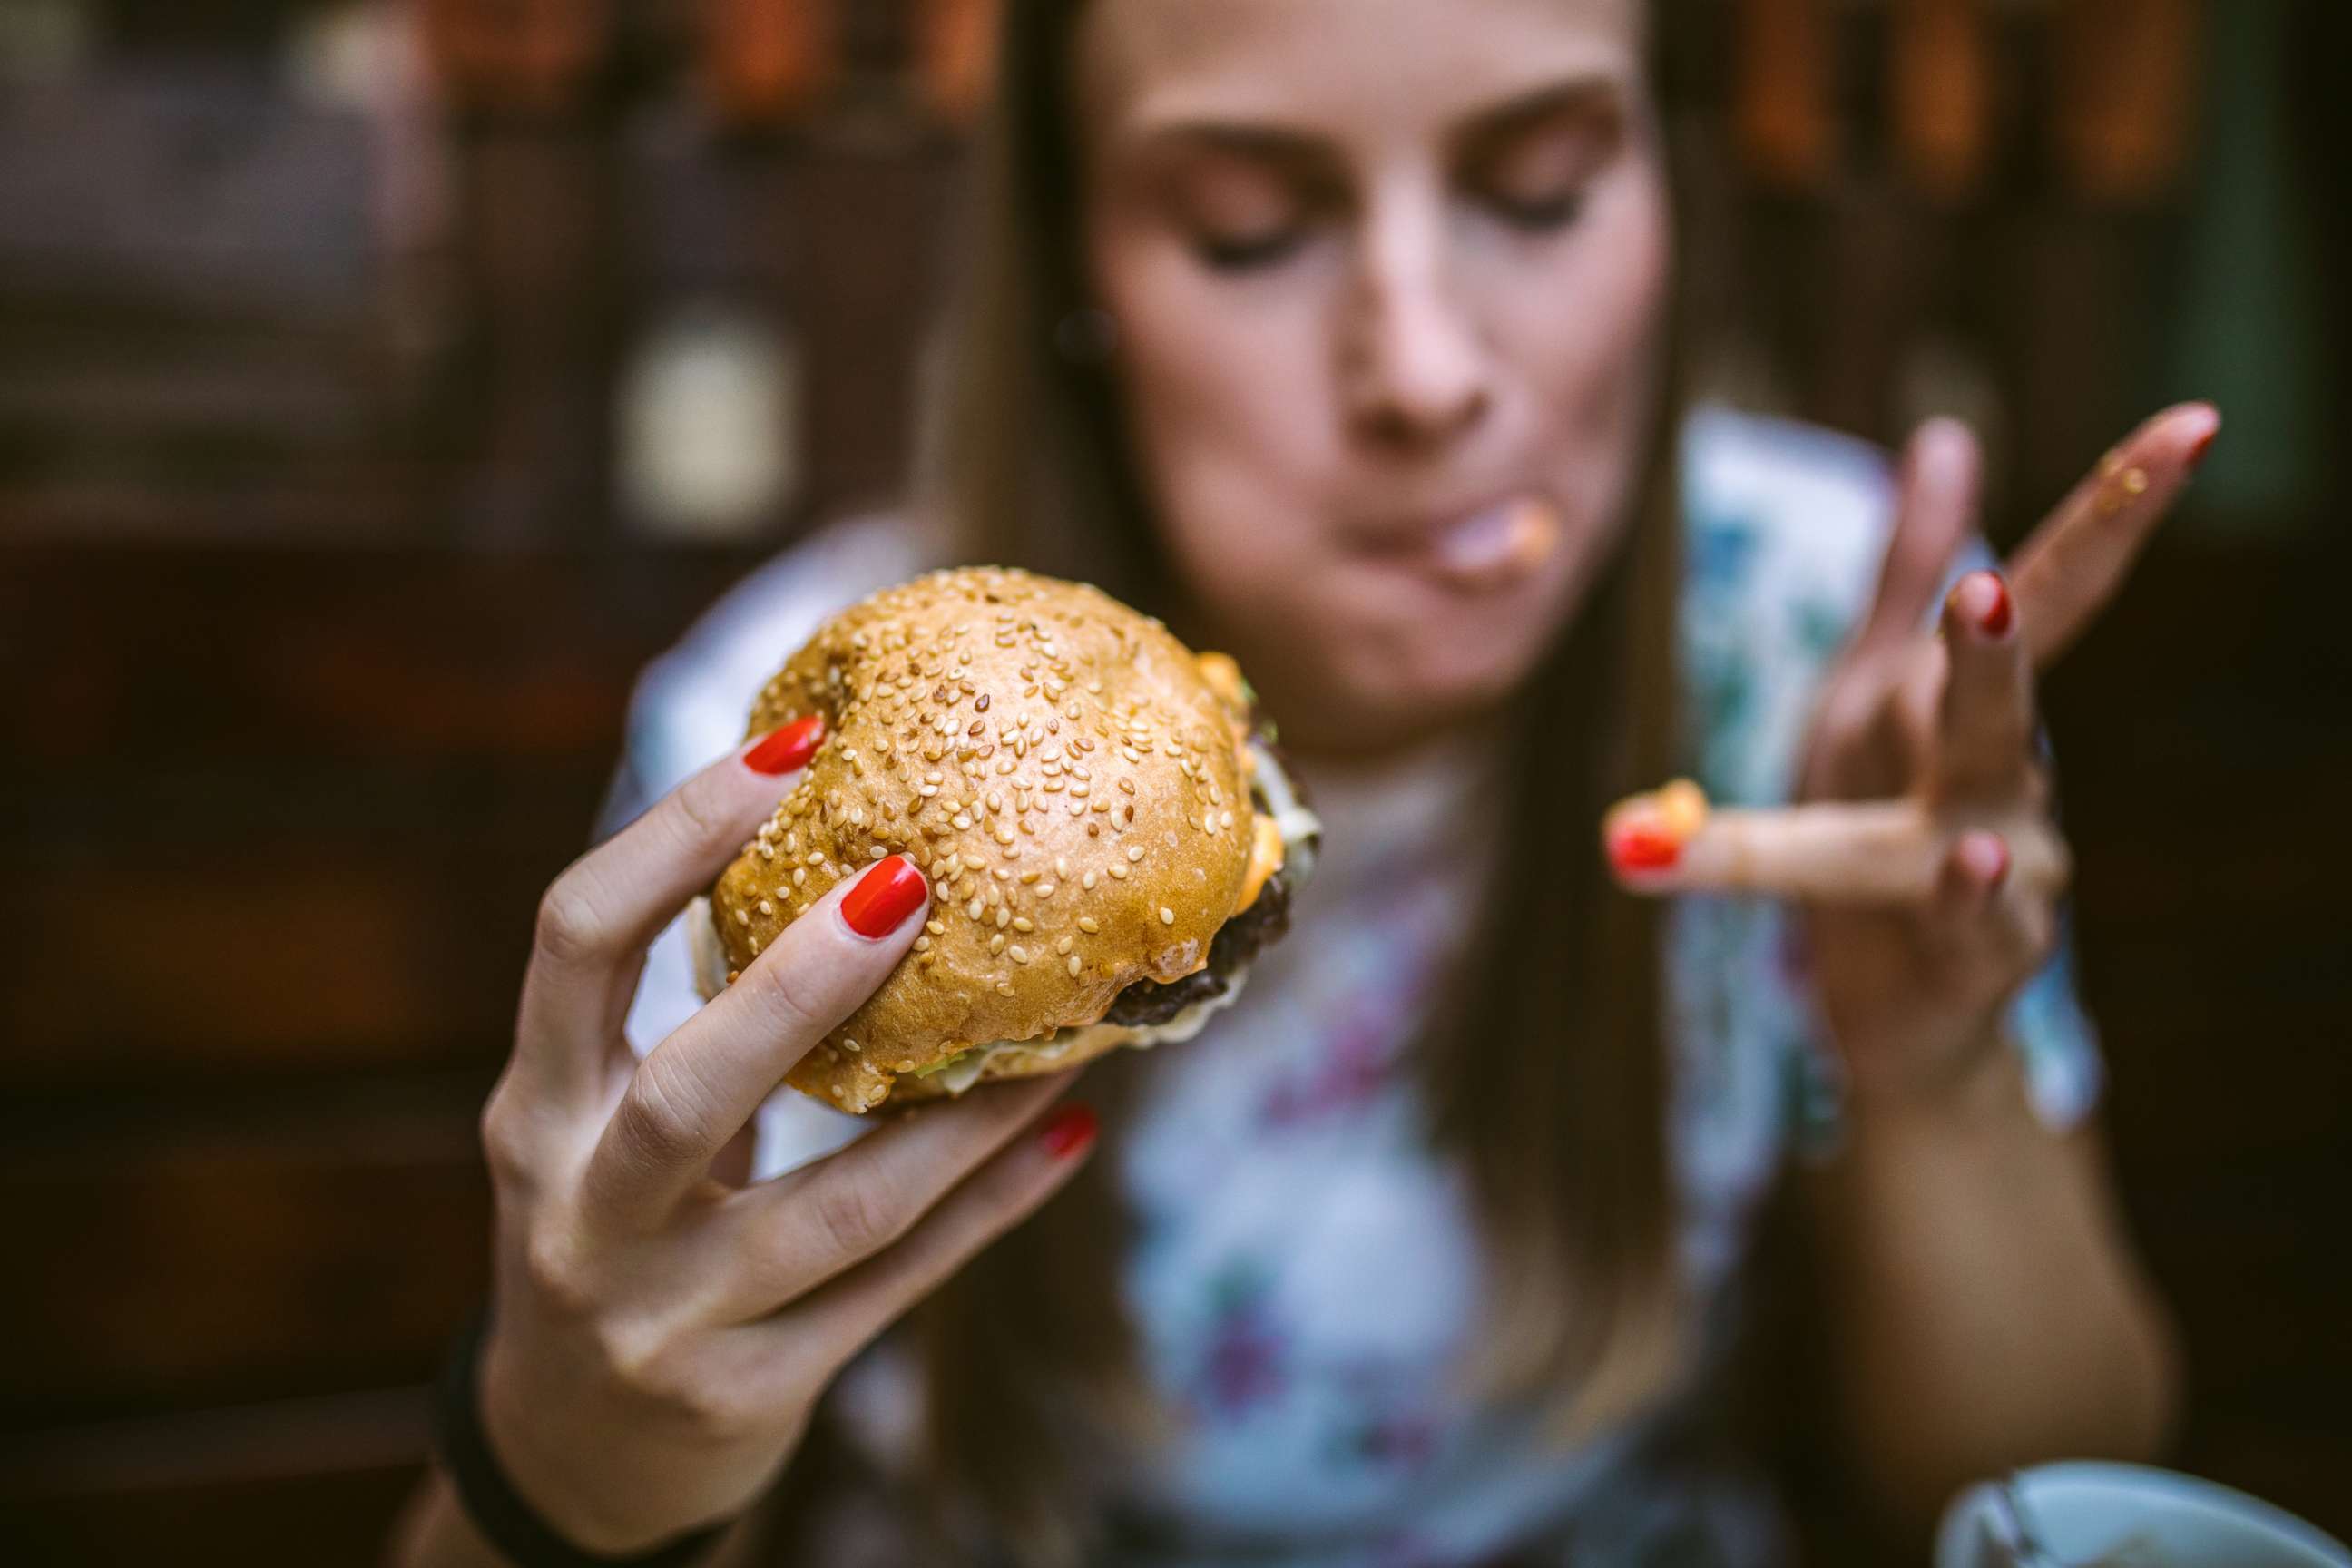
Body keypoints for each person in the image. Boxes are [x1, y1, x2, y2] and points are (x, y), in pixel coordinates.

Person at [393, 1, 2197, 1563]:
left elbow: (2040, 1487)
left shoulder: (1831, 643)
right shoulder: (805, 763)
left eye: (1542, 190)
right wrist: (583, 1462)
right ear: (1080, 270)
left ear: (1671, 190)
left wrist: (1935, 1076)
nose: (1423, 372)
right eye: (1252, 228)